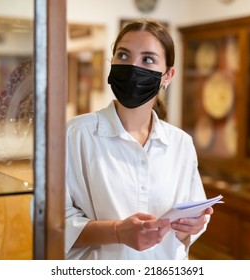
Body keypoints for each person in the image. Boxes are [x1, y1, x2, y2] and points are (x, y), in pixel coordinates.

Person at [65, 19, 213, 260]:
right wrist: (116, 232)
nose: (133, 67)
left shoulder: (181, 144)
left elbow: (186, 229)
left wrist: (191, 228)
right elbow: (52, 222)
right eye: (123, 56)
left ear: (167, 76)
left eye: (147, 59)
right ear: (111, 63)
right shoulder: (76, 135)